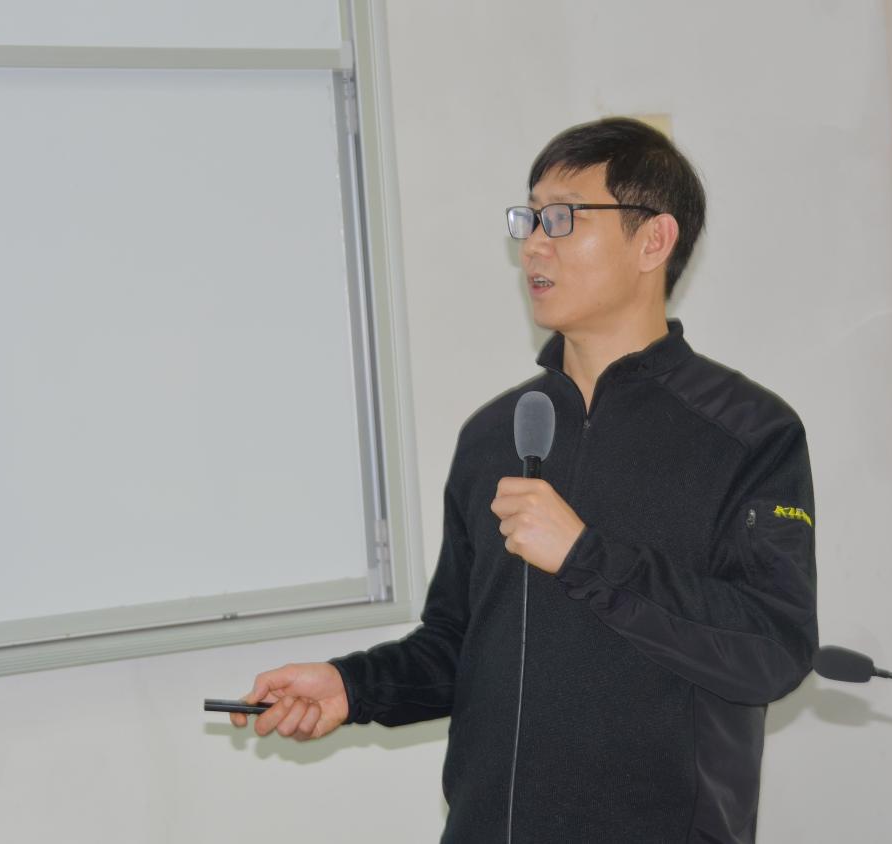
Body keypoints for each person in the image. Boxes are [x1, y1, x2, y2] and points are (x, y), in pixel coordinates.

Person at [229, 117, 818, 843]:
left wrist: (585, 555)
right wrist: (352, 687)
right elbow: (459, 642)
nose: (534, 244)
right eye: (529, 218)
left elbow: (772, 648)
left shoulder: (747, 433)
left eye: (563, 218)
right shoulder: (494, 433)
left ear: (653, 241)